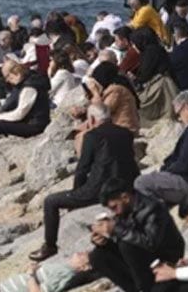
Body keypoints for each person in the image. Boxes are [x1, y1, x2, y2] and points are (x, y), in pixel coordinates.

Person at [29, 104, 140, 262]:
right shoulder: (126, 133)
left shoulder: (92, 136)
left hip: (98, 190)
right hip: (126, 185)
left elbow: (82, 168)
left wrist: (76, 193)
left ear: (92, 119)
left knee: (50, 201)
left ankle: (50, 247)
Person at [88, 180, 186, 292]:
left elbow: (150, 242)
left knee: (127, 245)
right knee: (97, 256)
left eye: (114, 207)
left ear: (125, 197)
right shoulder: (124, 212)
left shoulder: (152, 208)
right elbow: (125, 237)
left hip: (165, 256)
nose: (114, 212)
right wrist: (104, 241)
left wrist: (116, 229)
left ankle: (147, 290)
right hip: (140, 254)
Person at [0, 61, 51, 147]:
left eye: (7, 77)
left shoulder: (29, 87)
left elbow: (19, 114)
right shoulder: (30, 78)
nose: (8, 81)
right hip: (34, 121)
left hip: (35, 126)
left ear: (14, 73)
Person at [84, 62, 140, 136]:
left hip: (125, 129)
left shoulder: (115, 90)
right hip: (121, 128)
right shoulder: (115, 88)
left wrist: (95, 92)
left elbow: (101, 113)